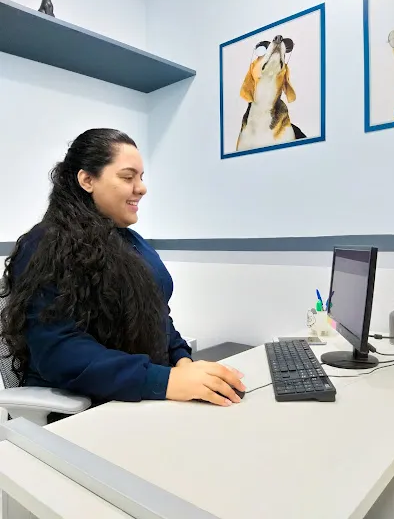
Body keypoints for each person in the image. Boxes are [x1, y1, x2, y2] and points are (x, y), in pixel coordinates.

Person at [0, 128, 245, 407]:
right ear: (87, 180)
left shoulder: (130, 242)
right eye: (128, 177)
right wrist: (162, 381)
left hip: (147, 390)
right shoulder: (44, 246)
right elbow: (59, 350)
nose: (141, 188)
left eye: (141, 178)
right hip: (87, 406)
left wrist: (182, 361)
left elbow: (158, 313)